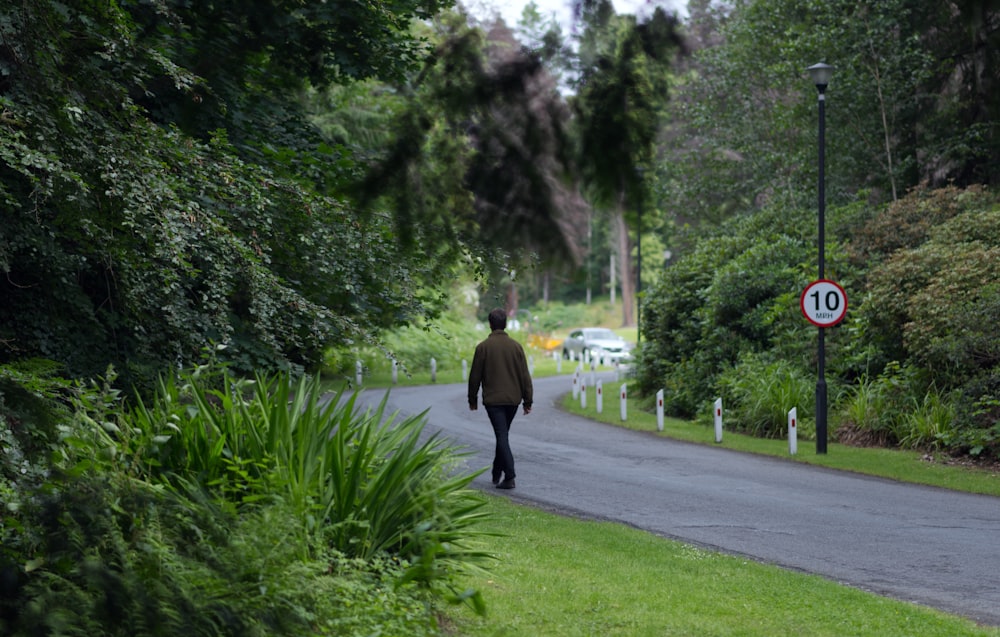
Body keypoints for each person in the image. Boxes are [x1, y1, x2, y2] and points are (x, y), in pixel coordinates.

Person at [468, 307, 533, 490]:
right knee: (502, 434)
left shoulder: (483, 348)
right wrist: (528, 401)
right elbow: (524, 376)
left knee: (501, 435)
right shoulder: (516, 347)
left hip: (493, 401)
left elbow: (475, 376)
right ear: (505, 324)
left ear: (490, 324)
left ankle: (510, 475)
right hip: (513, 400)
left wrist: (472, 399)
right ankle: (497, 472)